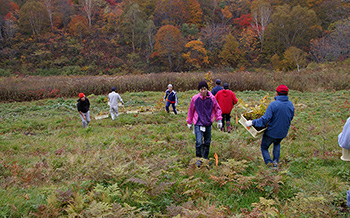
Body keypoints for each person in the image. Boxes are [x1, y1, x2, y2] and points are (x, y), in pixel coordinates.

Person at [245, 85, 294, 168]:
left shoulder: (273, 104)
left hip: (272, 132)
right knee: (277, 143)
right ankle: (275, 163)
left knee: (264, 147)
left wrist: (252, 122)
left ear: (277, 93)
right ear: (287, 93)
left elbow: (265, 120)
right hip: (283, 132)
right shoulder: (290, 104)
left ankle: (269, 165)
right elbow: (291, 118)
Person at [187, 81, 223, 167]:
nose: (203, 91)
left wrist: (219, 120)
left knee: (207, 142)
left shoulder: (212, 98)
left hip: (207, 123)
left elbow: (217, 109)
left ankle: (205, 158)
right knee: (199, 142)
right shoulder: (195, 98)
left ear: (207, 89)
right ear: (199, 90)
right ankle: (198, 158)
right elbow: (191, 110)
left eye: (205, 89)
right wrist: (189, 121)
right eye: (201, 89)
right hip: (198, 123)